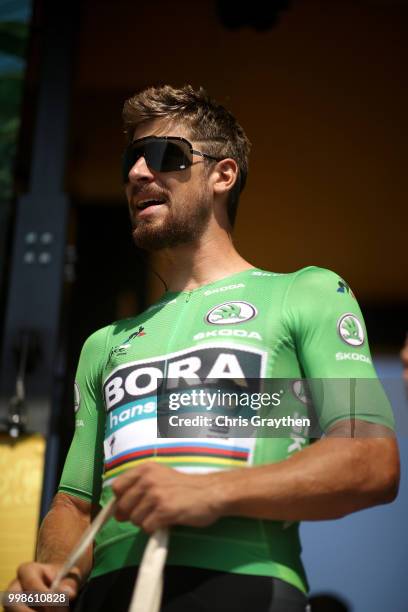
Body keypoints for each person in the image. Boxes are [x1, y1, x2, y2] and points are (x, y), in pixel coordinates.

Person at [6, 85, 400, 612]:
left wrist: (208, 492)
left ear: (223, 174)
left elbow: (370, 459)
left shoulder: (305, 293)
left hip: (245, 587)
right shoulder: (105, 343)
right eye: (131, 160)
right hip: (107, 597)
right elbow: (75, 505)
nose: (138, 173)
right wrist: (48, 581)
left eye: (165, 155)